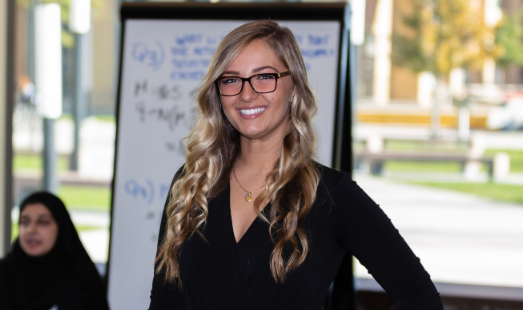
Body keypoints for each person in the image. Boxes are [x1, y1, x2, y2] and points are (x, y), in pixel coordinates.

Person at [149, 20, 442, 309]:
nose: (246, 93)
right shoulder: (191, 185)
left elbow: (421, 299)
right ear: (218, 93)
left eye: (264, 76)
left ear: (294, 86)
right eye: (230, 79)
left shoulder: (331, 196)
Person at [0, 192, 109, 310]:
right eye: (25, 222)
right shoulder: (1, 274)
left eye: (43, 222)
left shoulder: (81, 276)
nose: (31, 230)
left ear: (60, 228)